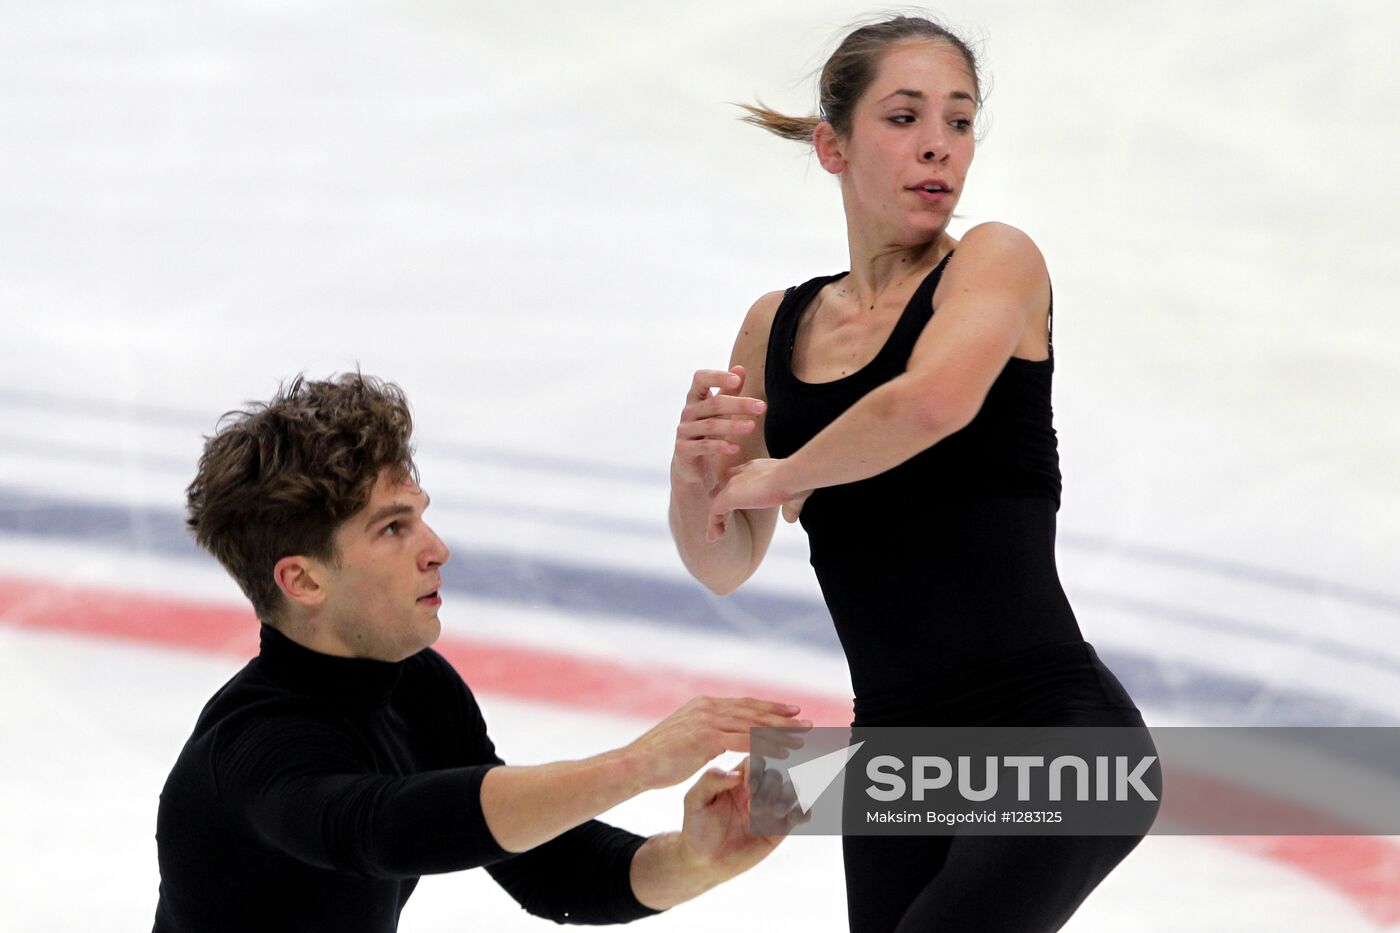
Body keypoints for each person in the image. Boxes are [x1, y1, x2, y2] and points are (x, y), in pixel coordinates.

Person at [669, 15, 1152, 933]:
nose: (939, 143)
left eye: (960, 121)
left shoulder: (996, 264)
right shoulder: (774, 326)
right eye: (904, 116)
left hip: (1056, 736)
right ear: (832, 145)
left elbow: (930, 404)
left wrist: (777, 474)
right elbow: (724, 563)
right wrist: (696, 476)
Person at [153, 372, 806, 932]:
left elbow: (550, 868)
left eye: (418, 514)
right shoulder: (251, 750)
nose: (436, 547)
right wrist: (637, 764)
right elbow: (382, 829)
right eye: (392, 527)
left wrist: (697, 858)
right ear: (303, 579)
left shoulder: (413, 685)